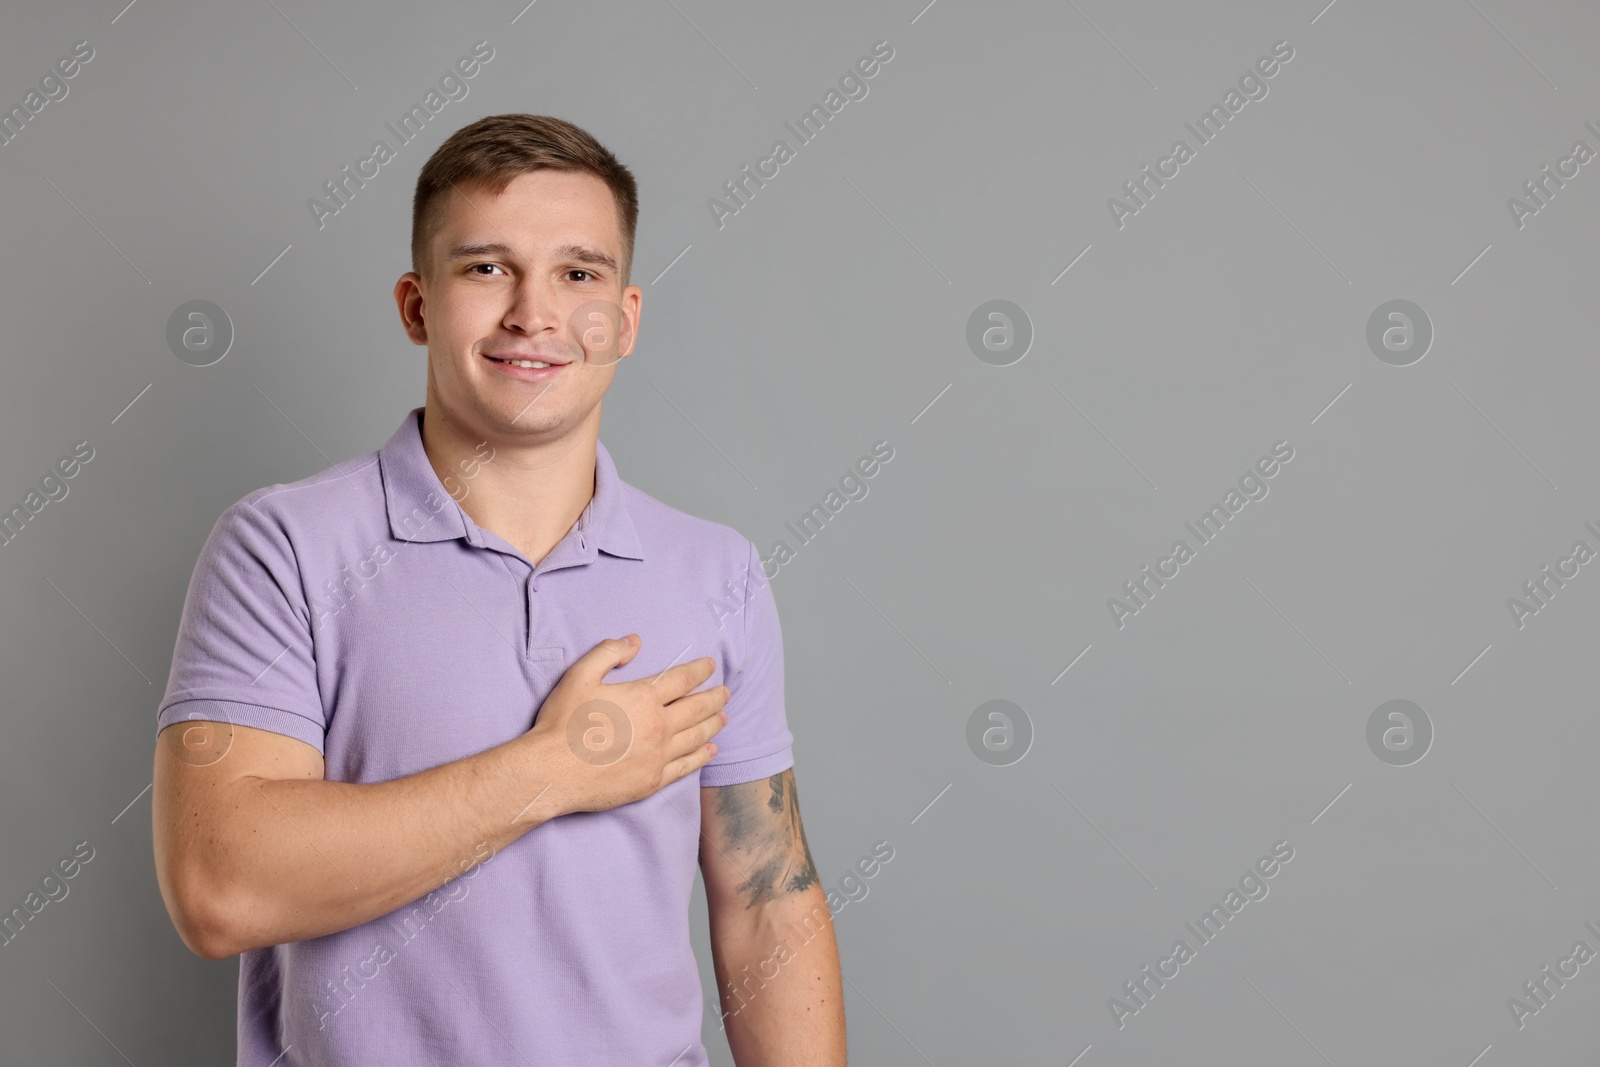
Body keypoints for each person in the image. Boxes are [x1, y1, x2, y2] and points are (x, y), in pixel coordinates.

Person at [150, 113, 846, 1066]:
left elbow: (768, 901)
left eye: (578, 273)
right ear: (416, 303)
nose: (533, 313)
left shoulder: (714, 571)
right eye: (485, 268)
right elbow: (221, 887)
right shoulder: (283, 548)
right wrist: (555, 768)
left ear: (626, 318)